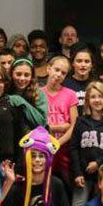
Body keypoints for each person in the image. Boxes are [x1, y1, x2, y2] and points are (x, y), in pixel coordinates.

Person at [41, 55, 78, 184]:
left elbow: (74, 125)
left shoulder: (70, 94)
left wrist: (58, 143)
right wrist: (60, 127)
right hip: (43, 147)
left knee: (67, 182)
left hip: (64, 148)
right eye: (56, 70)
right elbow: (38, 124)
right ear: (48, 69)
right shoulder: (38, 93)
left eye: (63, 73)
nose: (59, 75)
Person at [7, 58, 49, 131]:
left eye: (26, 75)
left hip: (31, 139)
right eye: (18, 74)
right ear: (11, 74)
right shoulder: (5, 90)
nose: (22, 78)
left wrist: (20, 102)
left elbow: (42, 123)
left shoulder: (38, 93)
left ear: (32, 77)